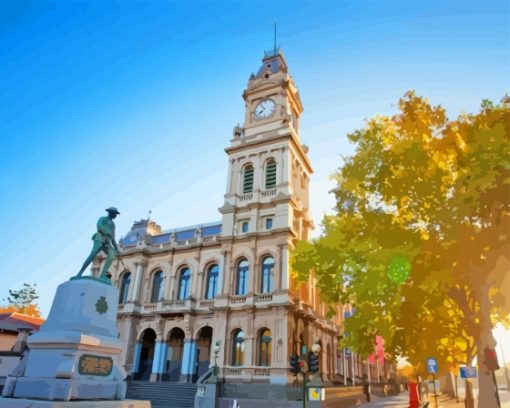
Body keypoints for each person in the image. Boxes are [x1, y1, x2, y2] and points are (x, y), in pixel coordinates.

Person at [76, 207, 121, 280]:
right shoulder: (103, 219)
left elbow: (113, 238)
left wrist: (117, 249)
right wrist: (106, 232)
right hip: (99, 239)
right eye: (115, 214)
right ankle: (79, 273)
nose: (116, 215)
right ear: (111, 213)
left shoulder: (113, 224)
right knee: (92, 255)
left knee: (112, 254)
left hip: (107, 242)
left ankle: (102, 275)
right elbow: (99, 226)